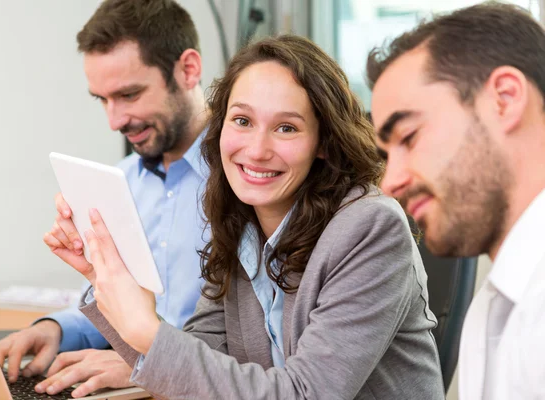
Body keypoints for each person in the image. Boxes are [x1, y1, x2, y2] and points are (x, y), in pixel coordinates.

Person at [47, 35, 445, 399]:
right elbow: (201, 363)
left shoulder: (370, 227)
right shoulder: (242, 222)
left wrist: (146, 331)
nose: (256, 150)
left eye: (286, 128)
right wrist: (105, 280)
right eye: (242, 121)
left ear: (323, 142)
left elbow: (307, 394)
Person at [0, 0, 209, 397]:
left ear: (188, 70)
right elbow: (119, 309)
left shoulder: (247, 180)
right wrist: (55, 329)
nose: (115, 121)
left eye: (129, 94)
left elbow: (265, 342)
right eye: (102, 99)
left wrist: (149, 364)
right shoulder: (121, 181)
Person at [367, 3, 545, 399]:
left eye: (409, 137)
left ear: (504, 99)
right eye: (385, 155)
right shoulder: (494, 304)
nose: (390, 184)